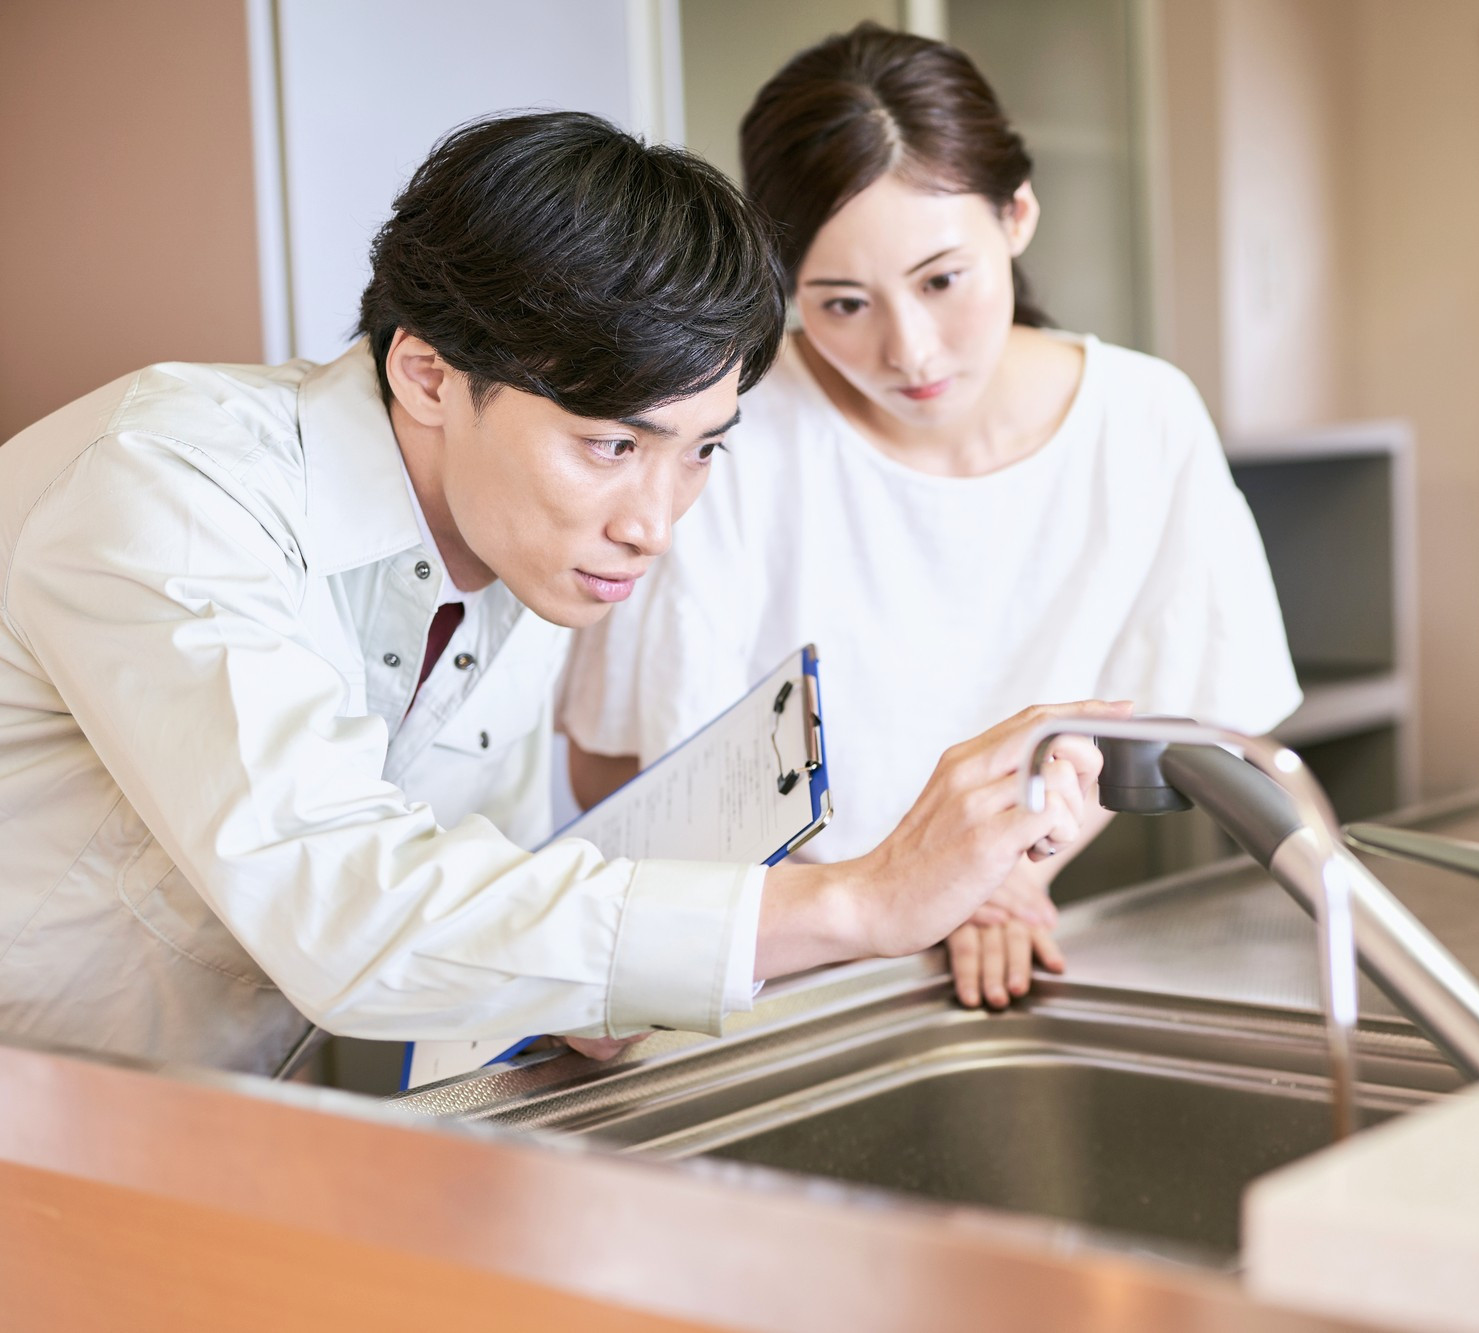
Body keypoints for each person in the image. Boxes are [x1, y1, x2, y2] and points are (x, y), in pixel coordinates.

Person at [0, 111, 1115, 1075]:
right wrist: (864, 899)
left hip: (187, 1123)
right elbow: (346, 907)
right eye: (611, 445)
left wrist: (589, 990)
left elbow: (465, 898)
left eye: (701, 450)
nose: (654, 524)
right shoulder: (165, 488)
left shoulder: (521, 546)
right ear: (428, 375)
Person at [561, 26, 1301, 1013]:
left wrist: (997, 877)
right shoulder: (727, 429)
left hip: (990, 947)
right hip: (764, 966)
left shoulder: (1143, 419)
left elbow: (1193, 714)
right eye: (842, 304)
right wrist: (895, 892)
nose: (908, 351)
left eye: (942, 280)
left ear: (1017, 215)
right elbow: (616, 764)